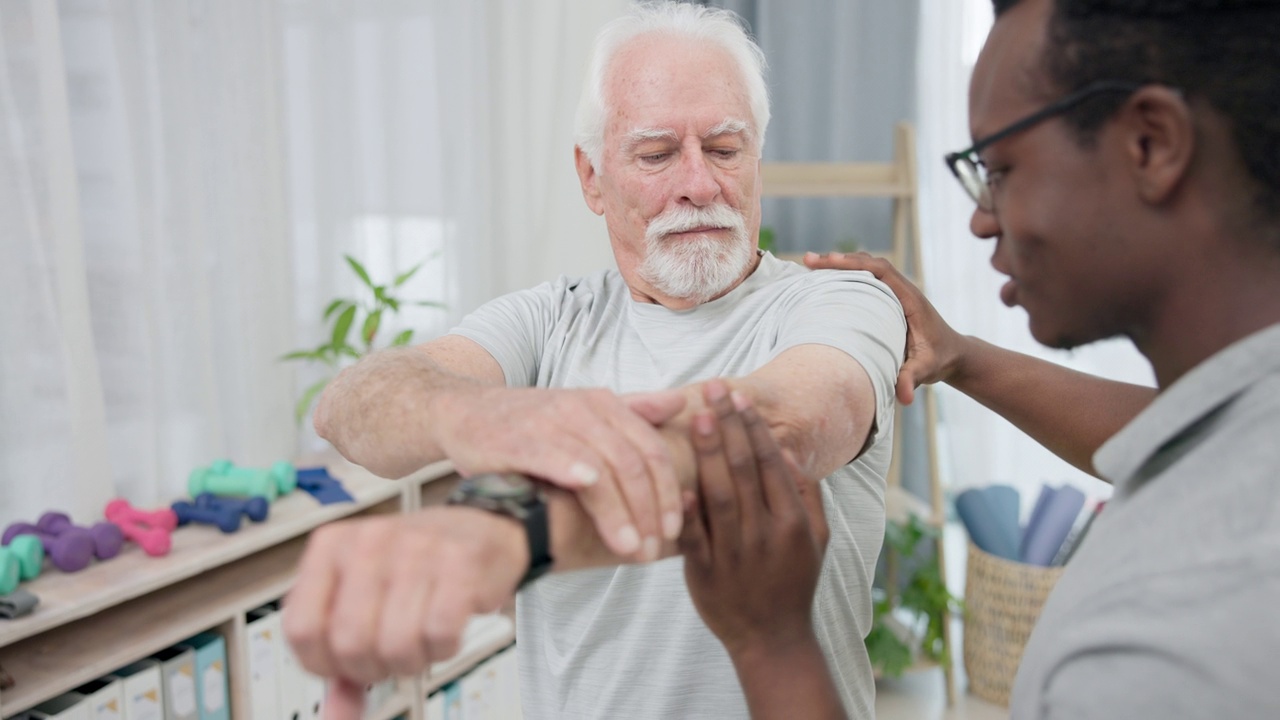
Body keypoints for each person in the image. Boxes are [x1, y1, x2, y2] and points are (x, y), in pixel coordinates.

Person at [282, 3, 906, 718]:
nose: (699, 184)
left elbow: (786, 428)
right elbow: (353, 405)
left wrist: (504, 529)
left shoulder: (842, 301)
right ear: (592, 178)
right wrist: (475, 416)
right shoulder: (551, 320)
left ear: (757, 159)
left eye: (726, 149)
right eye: (656, 153)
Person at [690, 0, 1280, 717]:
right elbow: (1183, 435)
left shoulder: (1174, 635)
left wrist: (772, 643)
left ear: (1151, 145)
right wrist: (963, 358)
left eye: (1000, 166)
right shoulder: (1247, 421)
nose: (979, 217)